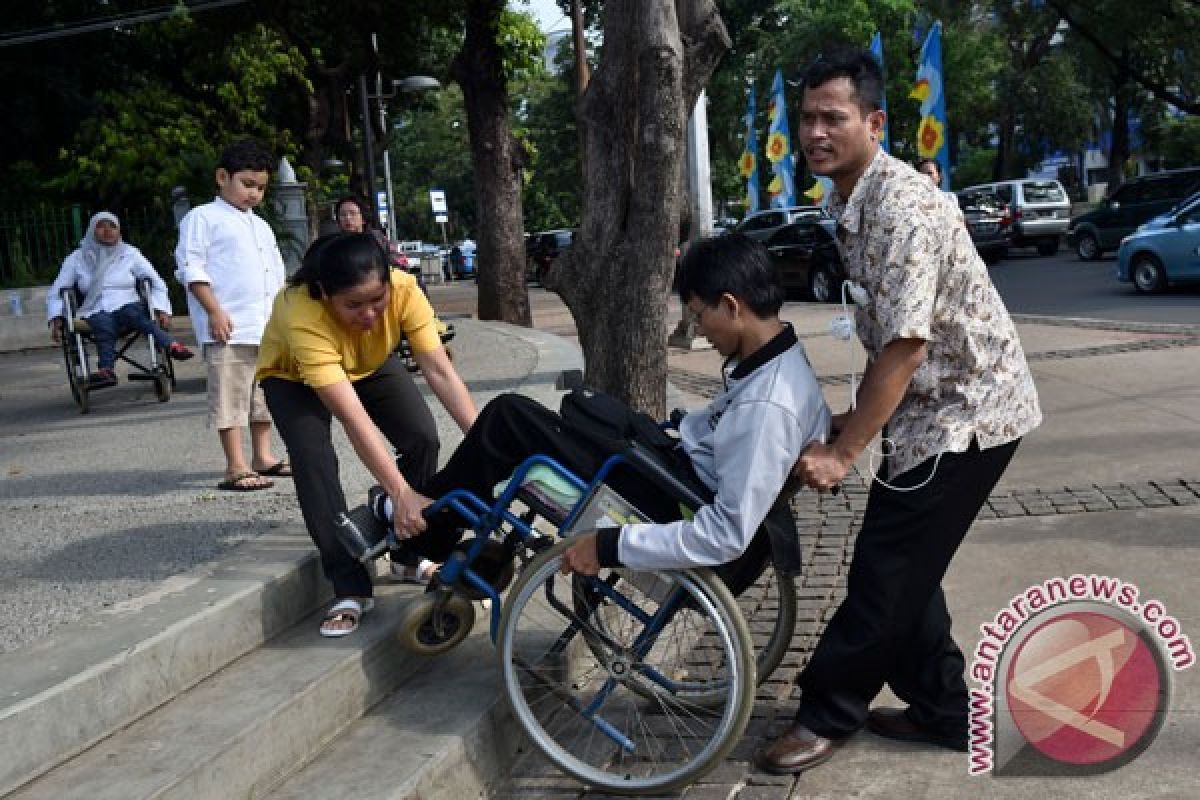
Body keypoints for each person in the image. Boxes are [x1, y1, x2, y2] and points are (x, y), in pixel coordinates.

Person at [754, 49, 1041, 775]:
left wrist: (843, 451)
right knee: (909, 566)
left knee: (885, 566)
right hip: (928, 409)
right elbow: (889, 337)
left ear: (874, 122)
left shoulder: (903, 207)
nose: (816, 132)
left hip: (966, 412)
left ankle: (827, 710)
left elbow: (906, 349)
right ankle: (948, 711)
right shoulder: (850, 200)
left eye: (833, 117)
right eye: (808, 117)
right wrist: (850, 422)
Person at [370, 233, 830, 582]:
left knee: (508, 418)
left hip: (671, 499)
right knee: (566, 414)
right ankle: (433, 519)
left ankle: (422, 526)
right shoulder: (784, 361)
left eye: (698, 313)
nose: (697, 327)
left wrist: (611, 545)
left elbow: (724, 534)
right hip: (673, 470)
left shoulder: (768, 405)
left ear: (731, 305)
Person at [256, 232, 478, 637]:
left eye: (377, 300)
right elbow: (354, 418)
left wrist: (486, 440)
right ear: (324, 294)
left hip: (372, 362)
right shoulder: (299, 312)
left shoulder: (405, 288)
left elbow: (440, 371)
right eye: (353, 305)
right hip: (292, 378)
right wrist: (399, 490)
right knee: (314, 459)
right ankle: (350, 586)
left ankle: (409, 552)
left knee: (422, 436)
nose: (370, 314)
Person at [175, 140, 290, 492]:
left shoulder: (261, 226)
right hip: (228, 324)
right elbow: (190, 267)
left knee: (262, 395)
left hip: (265, 325)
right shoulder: (202, 218)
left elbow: (275, 271)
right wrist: (213, 310)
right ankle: (235, 464)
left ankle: (262, 455)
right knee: (230, 394)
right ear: (222, 177)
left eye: (261, 187)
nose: (254, 193)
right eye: (247, 184)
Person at [47, 212, 194, 384]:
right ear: (91, 231)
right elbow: (58, 289)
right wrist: (56, 316)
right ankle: (106, 370)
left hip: (127, 303)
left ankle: (172, 346)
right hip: (95, 307)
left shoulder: (130, 253)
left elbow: (155, 282)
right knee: (103, 324)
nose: (107, 230)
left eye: (112, 226)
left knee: (136, 317)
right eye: (101, 226)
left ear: (119, 231)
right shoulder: (77, 258)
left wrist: (162, 308)